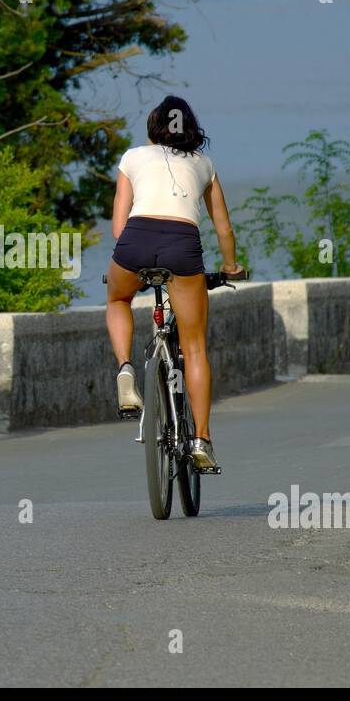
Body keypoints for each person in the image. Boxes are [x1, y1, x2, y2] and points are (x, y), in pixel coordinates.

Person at [105, 95, 245, 472]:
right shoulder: (204, 163)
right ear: (191, 128)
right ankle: (201, 439)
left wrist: (131, 257)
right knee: (195, 348)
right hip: (182, 247)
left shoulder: (133, 158)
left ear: (154, 127)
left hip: (135, 241)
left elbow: (119, 226)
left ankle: (125, 370)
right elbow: (223, 227)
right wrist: (230, 267)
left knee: (118, 299)